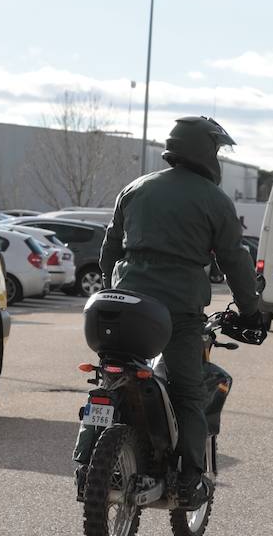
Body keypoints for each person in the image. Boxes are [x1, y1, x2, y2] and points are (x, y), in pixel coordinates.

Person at [84, 116, 263, 509]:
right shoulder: (215, 201)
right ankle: (189, 480)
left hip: (123, 305)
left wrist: (114, 287)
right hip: (178, 313)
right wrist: (251, 311)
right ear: (206, 152)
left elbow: (109, 249)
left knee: (109, 380)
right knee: (188, 392)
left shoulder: (135, 188)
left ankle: (87, 461)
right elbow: (235, 262)